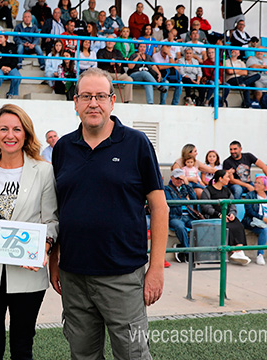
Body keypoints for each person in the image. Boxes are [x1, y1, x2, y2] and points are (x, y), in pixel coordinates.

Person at [49, 67, 168, 359]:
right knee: (83, 355)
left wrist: (154, 270)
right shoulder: (63, 147)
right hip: (74, 276)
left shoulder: (137, 143)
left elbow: (160, 207)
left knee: (133, 355)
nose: (93, 103)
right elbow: (58, 209)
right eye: (86, 96)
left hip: (123, 276)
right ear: (75, 102)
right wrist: (55, 260)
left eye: (101, 96)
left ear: (113, 101)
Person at [0, 104, 57, 359]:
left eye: (17, 129)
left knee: (22, 348)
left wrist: (45, 247)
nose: (10, 135)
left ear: (26, 134)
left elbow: (51, 219)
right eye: (3, 129)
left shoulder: (43, 171)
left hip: (28, 272)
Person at [200, 170, 251, 265]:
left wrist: (232, 214)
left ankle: (238, 251)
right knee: (228, 226)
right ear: (220, 178)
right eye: (227, 177)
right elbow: (205, 207)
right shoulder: (207, 190)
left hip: (227, 216)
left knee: (238, 225)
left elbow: (232, 204)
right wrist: (219, 215)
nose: (228, 179)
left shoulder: (227, 190)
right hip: (214, 217)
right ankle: (234, 251)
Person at [164, 168, 197, 262]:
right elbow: (170, 202)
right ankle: (188, 252)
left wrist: (187, 184)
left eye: (181, 178)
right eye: (177, 178)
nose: (179, 181)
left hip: (188, 216)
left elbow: (194, 198)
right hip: (175, 217)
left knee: (198, 226)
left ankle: (185, 247)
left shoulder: (185, 187)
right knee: (180, 226)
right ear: (172, 178)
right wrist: (184, 200)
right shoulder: (166, 189)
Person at [97, 35, 134, 103]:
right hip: (106, 73)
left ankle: (126, 101)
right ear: (105, 42)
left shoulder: (117, 52)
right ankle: (108, 100)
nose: (110, 42)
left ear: (114, 43)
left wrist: (117, 60)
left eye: (112, 41)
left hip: (118, 74)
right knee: (108, 80)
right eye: (108, 40)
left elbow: (122, 59)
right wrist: (110, 62)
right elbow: (100, 61)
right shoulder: (101, 51)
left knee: (129, 79)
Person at [0, 35, 21, 99]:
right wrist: (1, 67)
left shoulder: (12, 46)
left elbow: (15, 59)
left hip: (9, 67)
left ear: (6, 38)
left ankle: (10, 94)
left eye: (1, 37)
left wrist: (10, 68)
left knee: (17, 76)